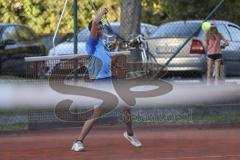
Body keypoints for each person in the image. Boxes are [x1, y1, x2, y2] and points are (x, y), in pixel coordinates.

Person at [71, 8, 142, 152]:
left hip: (111, 79)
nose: (101, 29)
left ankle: (129, 134)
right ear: (93, 30)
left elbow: (109, 60)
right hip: (100, 82)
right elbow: (96, 21)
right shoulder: (91, 44)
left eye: (102, 27)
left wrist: (118, 48)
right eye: (98, 27)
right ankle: (78, 141)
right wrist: (102, 12)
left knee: (126, 105)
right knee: (97, 114)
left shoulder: (102, 44)